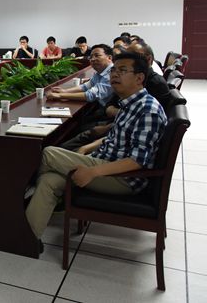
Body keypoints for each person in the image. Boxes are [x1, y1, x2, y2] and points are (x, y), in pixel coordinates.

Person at [26, 52, 167, 241]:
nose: (114, 74)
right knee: (49, 180)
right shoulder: (130, 103)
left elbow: (136, 161)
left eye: (122, 70)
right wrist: (87, 148)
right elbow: (116, 135)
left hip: (122, 178)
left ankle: (23, 195)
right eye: (114, 70)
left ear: (139, 78)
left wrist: (93, 172)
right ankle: (28, 238)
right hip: (104, 161)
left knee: (49, 153)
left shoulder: (148, 110)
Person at [47, 44, 114, 106]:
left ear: (109, 58)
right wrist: (65, 91)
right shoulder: (100, 72)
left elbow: (91, 95)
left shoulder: (112, 74)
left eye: (97, 55)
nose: (93, 59)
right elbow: (86, 86)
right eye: (91, 57)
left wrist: (60, 95)